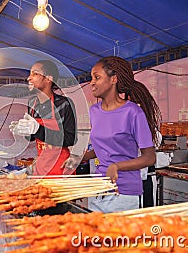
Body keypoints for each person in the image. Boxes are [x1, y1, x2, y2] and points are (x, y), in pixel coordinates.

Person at [63, 56, 161, 213]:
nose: (92, 82)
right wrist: (80, 158)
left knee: (118, 238)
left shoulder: (133, 112)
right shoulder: (94, 111)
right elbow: (103, 148)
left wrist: (117, 166)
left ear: (113, 79)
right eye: (91, 78)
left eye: (97, 77)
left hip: (123, 193)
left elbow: (150, 157)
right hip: (99, 189)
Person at [9, 60, 77, 175]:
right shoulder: (32, 103)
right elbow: (31, 138)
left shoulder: (64, 104)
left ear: (48, 79)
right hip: (41, 167)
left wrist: (38, 129)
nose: (29, 78)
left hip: (60, 167)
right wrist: (24, 131)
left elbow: (70, 139)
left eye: (35, 74)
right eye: (30, 74)